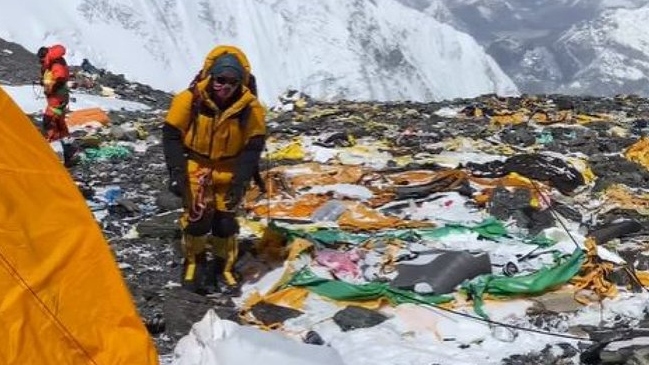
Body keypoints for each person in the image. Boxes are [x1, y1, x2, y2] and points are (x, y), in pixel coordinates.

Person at [162, 45, 266, 295]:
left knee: (225, 222)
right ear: (211, 76)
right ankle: (194, 262)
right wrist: (177, 173)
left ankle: (223, 266)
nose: (225, 87)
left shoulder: (250, 108)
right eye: (220, 80)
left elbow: (254, 144)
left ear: (242, 82)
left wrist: (241, 179)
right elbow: (171, 135)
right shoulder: (189, 99)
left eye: (233, 82)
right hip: (197, 166)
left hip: (230, 168)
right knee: (197, 217)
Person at [37, 45, 70, 143]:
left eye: (41, 59)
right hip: (58, 97)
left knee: (49, 120)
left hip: (57, 97)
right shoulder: (54, 62)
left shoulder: (55, 64)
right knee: (59, 120)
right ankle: (66, 142)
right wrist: (44, 82)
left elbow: (60, 78)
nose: (41, 62)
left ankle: (54, 142)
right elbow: (53, 78)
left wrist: (51, 89)